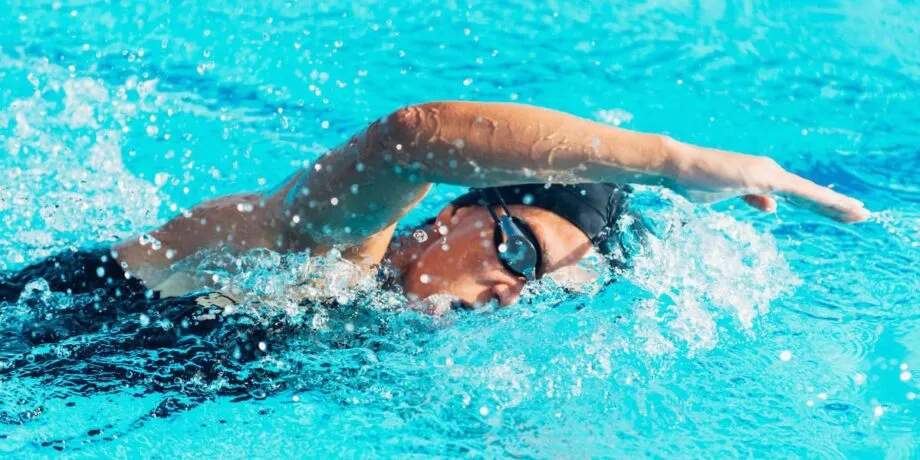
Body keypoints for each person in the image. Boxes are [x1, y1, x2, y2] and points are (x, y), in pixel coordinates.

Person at [0, 101, 869, 361]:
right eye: (519, 250)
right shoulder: (320, 250)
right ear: (461, 207)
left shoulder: (373, 332)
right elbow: (410, 137)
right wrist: (677, 160)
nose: (507, 292)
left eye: (537, 285)